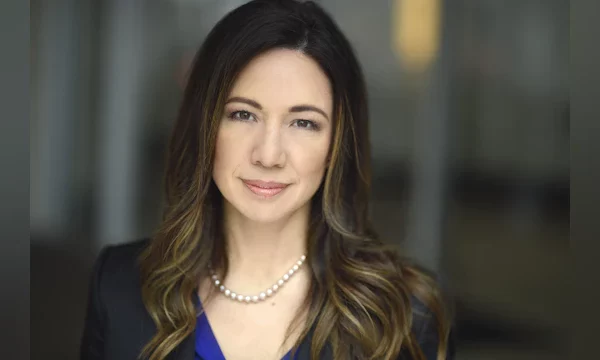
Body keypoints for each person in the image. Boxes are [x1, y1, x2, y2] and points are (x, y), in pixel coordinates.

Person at [80, 1, 454, 359]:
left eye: (304, 123)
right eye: (243, 115)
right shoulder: (119, 287)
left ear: (338, 144)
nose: (269, 155)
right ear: (205, 124)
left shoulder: (403, 313)